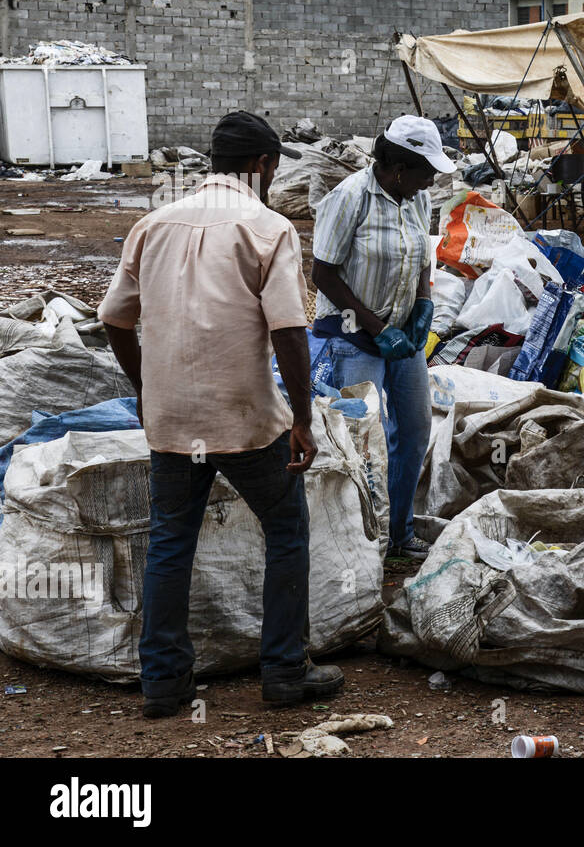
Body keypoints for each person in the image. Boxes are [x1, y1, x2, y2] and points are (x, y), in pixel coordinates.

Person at [99, 111, 343, 717]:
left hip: (173, 418)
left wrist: (145, 385)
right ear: (263, 165)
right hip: (244, 417)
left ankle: (163, 683)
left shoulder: (151, 224)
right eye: (273, 165)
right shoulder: (268, 228)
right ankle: (285, 671)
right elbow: (289, 331)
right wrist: (303, 420)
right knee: (285, 530)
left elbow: (113, 318)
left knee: (169, 544)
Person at [311, 114, 453, 560]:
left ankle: (399, 533)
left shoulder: (417, 200)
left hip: (400, 336)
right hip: (353, 337)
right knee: (362, 443)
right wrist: (376, 326)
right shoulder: (350, 197)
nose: (430, 179)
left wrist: (423, 303)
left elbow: (422, 257)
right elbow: (323, 273)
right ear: (397, 167)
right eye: (425, 170)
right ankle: (363, 545)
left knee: (413, 430)